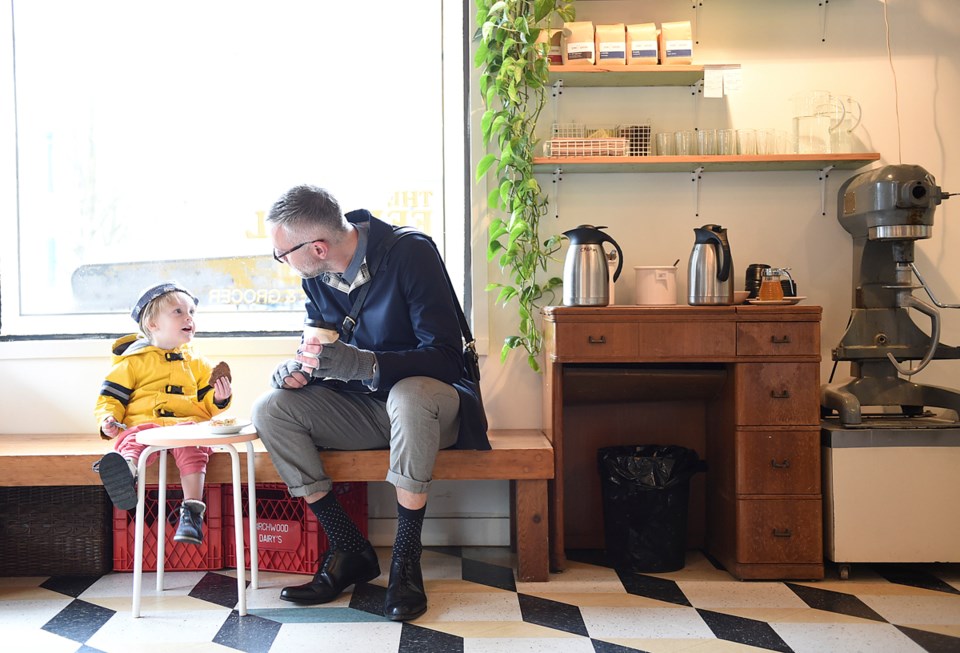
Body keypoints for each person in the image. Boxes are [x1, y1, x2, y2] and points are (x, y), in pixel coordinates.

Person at [252, 185, 488, 622]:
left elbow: (445, 356)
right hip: (368, 407)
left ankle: (406, 560)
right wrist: (298, 371)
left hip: (434, 406)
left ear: (317, 247)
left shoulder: (410, 252)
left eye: (281, 253)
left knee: (410, 393)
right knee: (271, 407)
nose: (282, 262)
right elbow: (319, 345)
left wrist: (362, 363)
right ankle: (349, 547)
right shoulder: (318, 278)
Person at [94, 282, 233, 545]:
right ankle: (126, 471)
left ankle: (192, 512)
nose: (189, 317)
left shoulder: (199, 363)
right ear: (153, 324)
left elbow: (206, 405)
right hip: (147, 427)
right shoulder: (132, 362)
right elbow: (110, 398)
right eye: (178, 312)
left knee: (193, 446)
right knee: (133, 440)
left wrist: (219, 398)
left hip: (185, 427)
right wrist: (108, 421)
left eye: (191, 311)